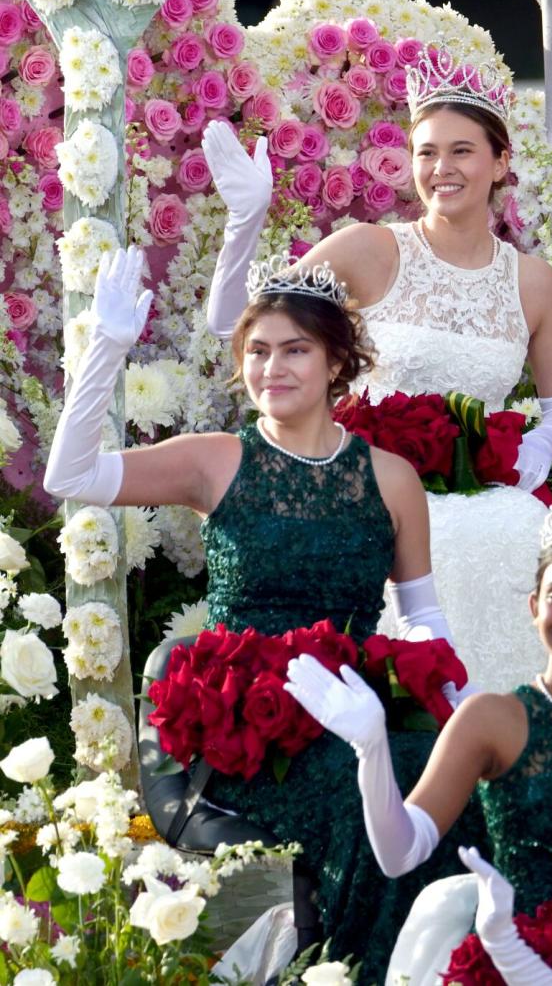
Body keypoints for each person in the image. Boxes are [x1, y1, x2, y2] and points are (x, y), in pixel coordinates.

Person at [42, 247, 472, 977]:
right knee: (362, 783)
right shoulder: (216, 459)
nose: (272, 367)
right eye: (258, 350)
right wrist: (105, 348)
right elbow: (70, 474)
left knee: (438, 772)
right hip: (243, 723)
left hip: (351, 701)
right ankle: (349, 970)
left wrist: (459, 710)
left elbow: (422, 616)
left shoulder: (391, 477)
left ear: (337, 360)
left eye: (295, 350)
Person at [201, 45, 552, 693]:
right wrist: (246, 222)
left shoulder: (533, 280)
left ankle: (505, 736)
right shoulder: (370, 248)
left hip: (484, 482)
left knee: (519, 530)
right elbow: (237, 323)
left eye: (462, 150)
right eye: (427, 152)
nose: (442, 168)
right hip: (365, 476)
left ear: (499, 162)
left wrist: (538, 446)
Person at [285, 498, 552, 979]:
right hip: (521, 962)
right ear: (534, 606)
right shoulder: (491, 719)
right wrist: (371, 748)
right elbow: (400, 854)